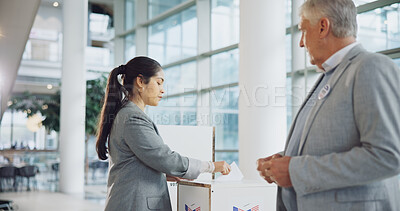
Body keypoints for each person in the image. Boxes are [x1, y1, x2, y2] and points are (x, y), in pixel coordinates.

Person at [257, 0, 400, 210]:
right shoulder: (330, 75)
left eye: (304, 31)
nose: (301, 43)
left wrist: (297, 171)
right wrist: (284, 163)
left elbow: (387, 156)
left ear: (323, 27)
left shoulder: (370, 67)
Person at [96, 56, 231, 211]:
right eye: (158, 82)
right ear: (140, 82)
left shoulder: (127, 114)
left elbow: (135, 163)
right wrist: (211, 166)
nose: (163, 90)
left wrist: (161, 175)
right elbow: (165, 158)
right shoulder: (133, 118)